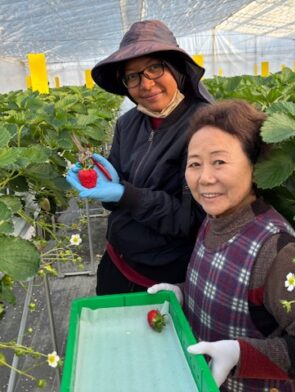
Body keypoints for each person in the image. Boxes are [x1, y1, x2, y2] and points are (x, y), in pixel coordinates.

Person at [148, 100, 295, 391]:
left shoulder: (278, 252)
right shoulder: (213, 220)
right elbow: (225, 290)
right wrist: (183, 294)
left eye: (219, 162)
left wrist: (241, 354)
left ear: (255, 165)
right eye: (195, 164)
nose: (205, 177)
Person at [66, 19, 213, 294]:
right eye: (132, 76)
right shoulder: (128, 123)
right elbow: (117, 201)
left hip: (164, 277)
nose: (145, 84)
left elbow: (190, 221)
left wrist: (124, 193)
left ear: (176, 68)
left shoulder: (205, 129)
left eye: (154, 68)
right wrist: (107, 183)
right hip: (116, 261)